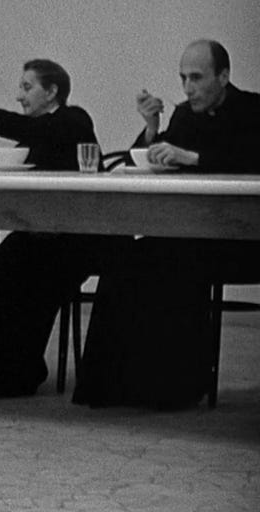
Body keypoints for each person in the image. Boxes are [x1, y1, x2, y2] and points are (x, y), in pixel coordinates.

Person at [74, 39, 260, 409]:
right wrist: (151, 129)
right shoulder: (185, 116)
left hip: (238, 239)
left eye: (196, 78)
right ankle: (113, 387)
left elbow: (249, 158)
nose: (187, 88)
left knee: (172, 262)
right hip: (186, 232)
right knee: (124, 259)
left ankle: (173, 388)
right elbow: (154, 158)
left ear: (224, 76)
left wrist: (193, 158)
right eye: (183, 78)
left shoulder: (253, 109)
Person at [0, 60, 122, 397]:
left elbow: (39, 132)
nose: (19, 96)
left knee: (29, 270)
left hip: (78, 236)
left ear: (52, 92)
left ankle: (17, 372)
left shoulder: (73, 119)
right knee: (1, 261)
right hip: (41, 233)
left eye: (27, 87)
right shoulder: (37, 132)